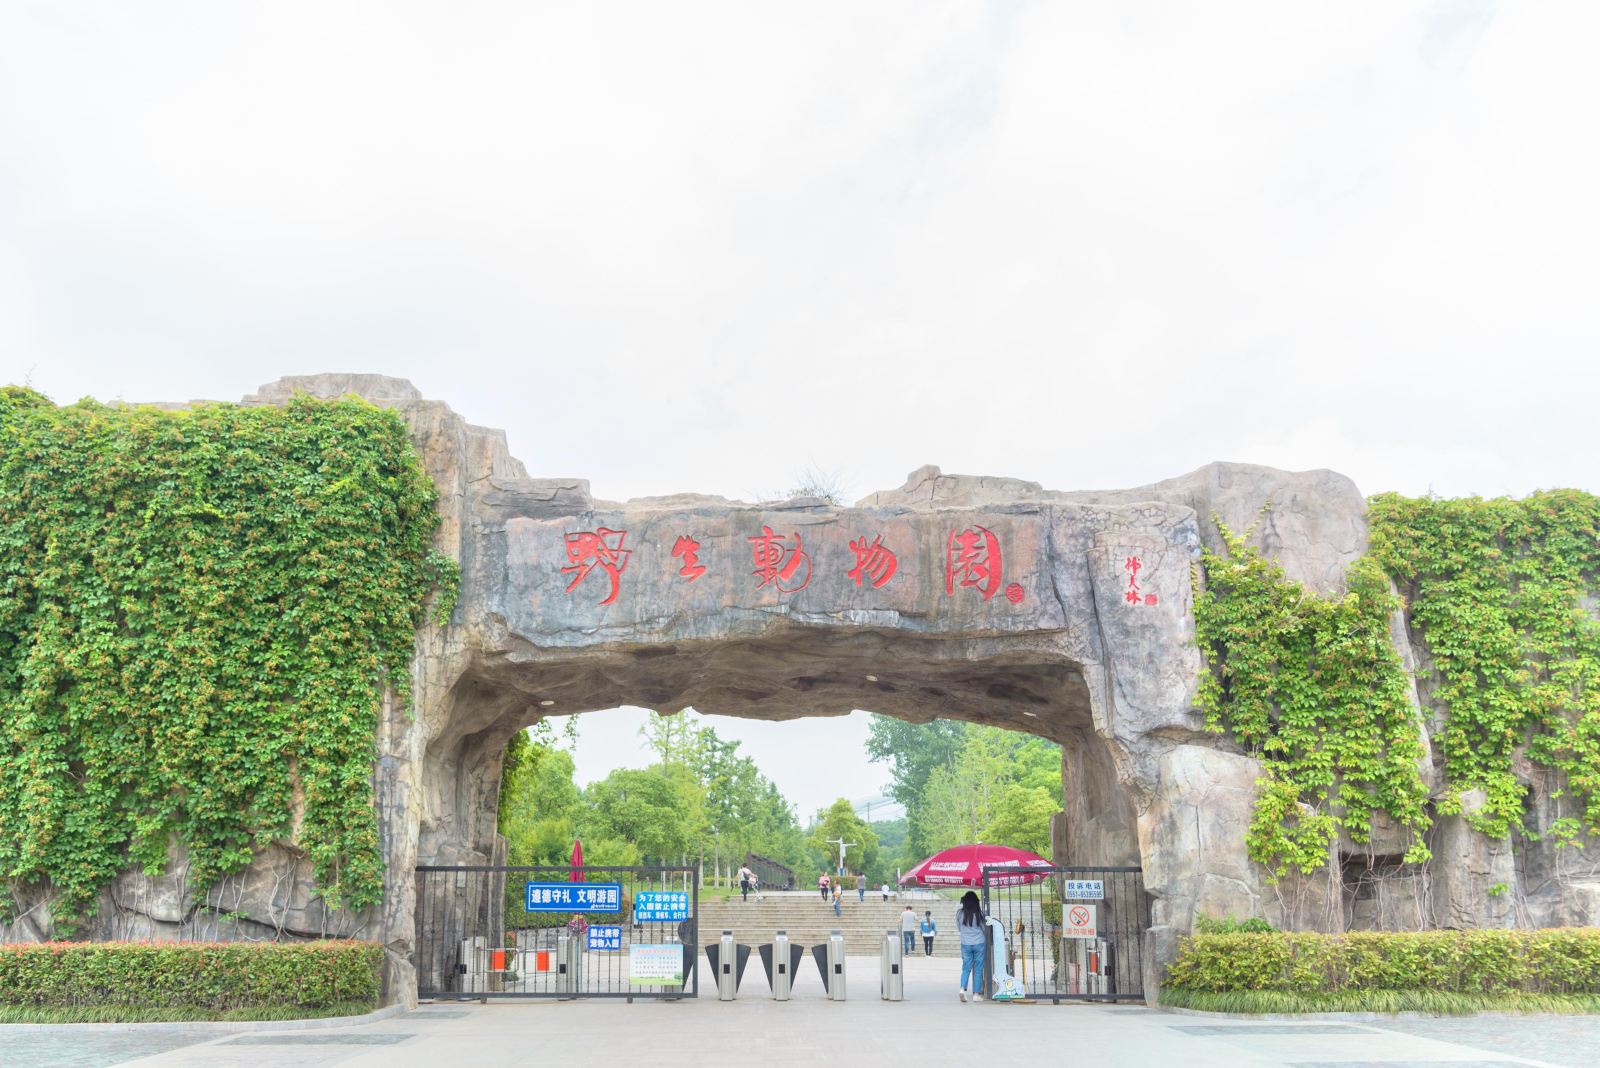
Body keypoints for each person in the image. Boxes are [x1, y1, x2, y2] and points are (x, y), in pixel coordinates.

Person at [956, 890, 986, 1002]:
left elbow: (959, 928)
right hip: (979, 942)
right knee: (978, 969)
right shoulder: (979, 913)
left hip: (965, 943)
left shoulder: (960, 913)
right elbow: (983, 928)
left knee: (966, 968)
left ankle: (962, 989)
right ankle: (976, 994)